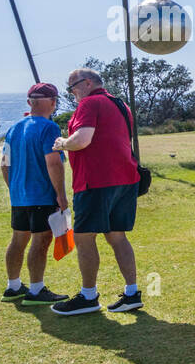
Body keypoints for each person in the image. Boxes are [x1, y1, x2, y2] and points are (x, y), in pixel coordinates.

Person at [49, 68, 143, 315]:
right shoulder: (120, 104)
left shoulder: (90, 103)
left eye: (73, 87)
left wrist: (62, 143)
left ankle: (88, 296)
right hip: (126, 179)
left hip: (97, 181)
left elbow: (82, 140)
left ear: (87, 83)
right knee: (117, 235)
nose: (72, 93)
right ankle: (132, 293)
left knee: (84, 237)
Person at [0, 83, 69, 306]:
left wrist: (14, 188)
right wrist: (61, 195)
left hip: (19, 196)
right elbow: (53, 163)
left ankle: (14, 286)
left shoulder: (14, 128)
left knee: (18, 240)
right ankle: (37, 290)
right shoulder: (49, 128)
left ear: (30, 102)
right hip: (42, 195)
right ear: (53, 102)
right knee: (41, 240)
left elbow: (4, 163)